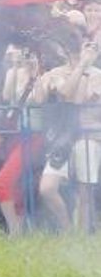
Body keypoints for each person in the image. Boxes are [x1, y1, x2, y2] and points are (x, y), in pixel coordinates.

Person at [35, 26, 101, 233]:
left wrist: (83, 69)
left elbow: (78, 98)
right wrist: (81, 67)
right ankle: (67, 229)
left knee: (85, 192)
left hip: (88, 137)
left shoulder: (97, 74)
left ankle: (80, 237)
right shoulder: (55, 73)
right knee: (47, 188)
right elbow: (61, 94)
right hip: (63, 137)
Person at [0, 46, 42, 234]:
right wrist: (13, 68)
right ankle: (19, 227)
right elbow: (7, 96)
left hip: (33, 135)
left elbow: (38, 99)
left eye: (30, 52)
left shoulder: (42, 73)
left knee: (1, 181)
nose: (26, 55)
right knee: (16, 184)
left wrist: (35, 73)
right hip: (15, 134)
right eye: (24, 52)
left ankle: (14, 230)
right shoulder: (14, 72)